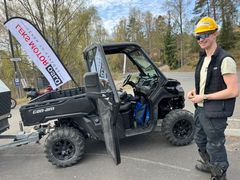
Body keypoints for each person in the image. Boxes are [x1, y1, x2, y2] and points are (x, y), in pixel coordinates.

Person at [187, 17, 239, 180]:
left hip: (216, 112)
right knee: (200, 140)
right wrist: (195, 92)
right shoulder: (204, 58)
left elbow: (233, 91)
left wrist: (205, 96)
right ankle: (211, 166)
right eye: (198, 36)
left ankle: (219, 174)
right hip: (201, 109)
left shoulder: (225, 59)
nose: (201, 39)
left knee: (215, 145)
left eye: (206, 34)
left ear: (215, 33)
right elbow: (208, 83)